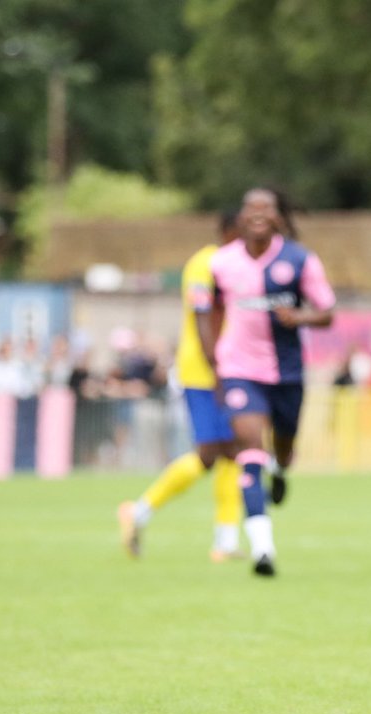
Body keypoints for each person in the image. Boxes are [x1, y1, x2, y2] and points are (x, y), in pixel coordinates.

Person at [199, 187, 337, 577]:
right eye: (251, 208)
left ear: (278, 217)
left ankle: (280, 470)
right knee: (249, 448)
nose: (258, 214)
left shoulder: (299, 260)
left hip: (287, 374)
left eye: (267, 208)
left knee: (284, 449)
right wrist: (215, 365)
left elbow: (326, 313)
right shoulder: (221, 263)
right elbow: (212, 311)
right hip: (239, 370)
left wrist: (300, 318)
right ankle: (263, 548)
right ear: (240, 217)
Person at [118, 210, 244, 562]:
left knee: (232, 451)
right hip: (203, 371)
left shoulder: (240, 264)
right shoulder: (205, 263)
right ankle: (139, 511)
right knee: (209, 454)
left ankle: (226, 539)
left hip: (229, 368)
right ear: (228, 229)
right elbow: (204, 319)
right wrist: (215, 367)